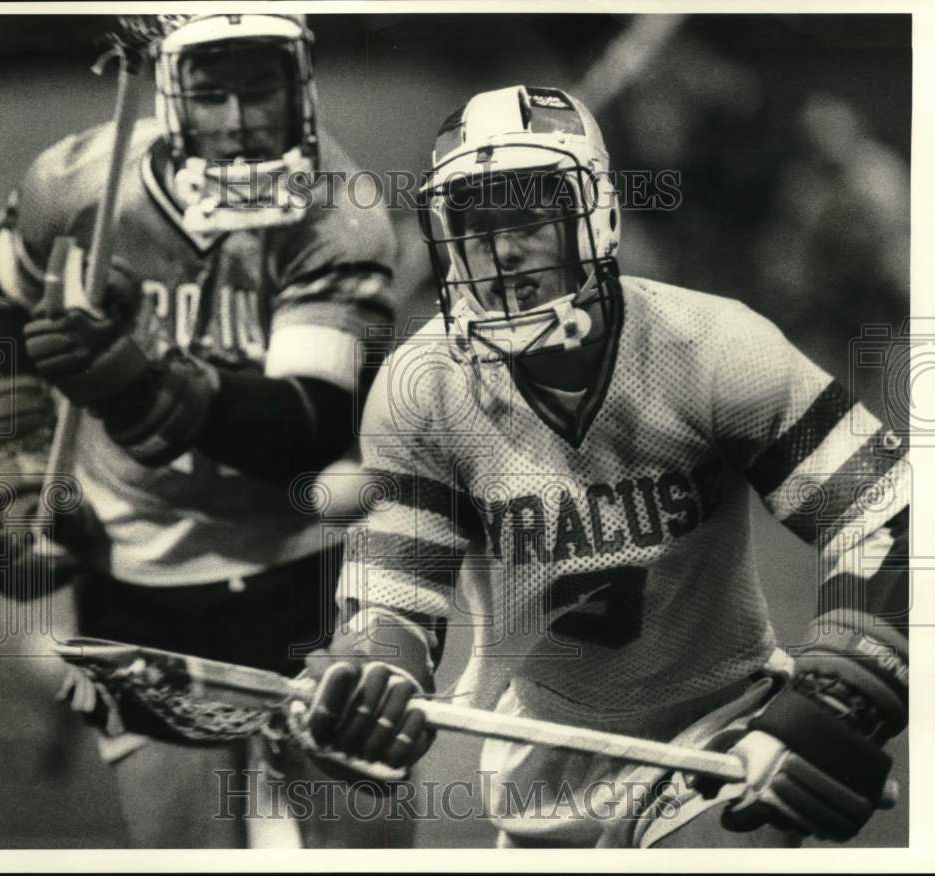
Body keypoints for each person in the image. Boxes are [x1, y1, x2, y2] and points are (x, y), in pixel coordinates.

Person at [295, 85, 910, 848]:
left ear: (598, 216)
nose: (504, 249)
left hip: (717, 737)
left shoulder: (715, 347)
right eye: (477, 223)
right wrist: (373, 679)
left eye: (530, 214)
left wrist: (836, 699)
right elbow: (394, 603)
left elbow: (890, 515)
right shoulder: (424, 390)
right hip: (540, 775)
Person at [0, 13, 401, 848]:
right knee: (184, 851)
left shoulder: (340, 210)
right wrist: (10, 473)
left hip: (307, 573)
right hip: (138, 584)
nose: (238, 123)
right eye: (211, 92)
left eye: (260, 87)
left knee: (367, 846)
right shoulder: (76, 181)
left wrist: (137, 380)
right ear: (168, 89)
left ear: (299, 82)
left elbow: (300, 430)